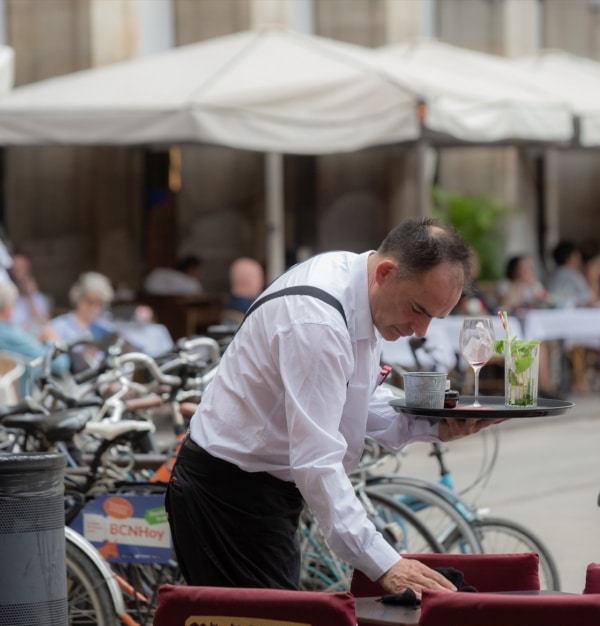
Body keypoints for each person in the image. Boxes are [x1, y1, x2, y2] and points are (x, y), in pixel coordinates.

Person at [165, 217, 502, 594]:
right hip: (226, 498)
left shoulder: (358, 284)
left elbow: (356, 399)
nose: (420, 330)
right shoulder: (318, 323)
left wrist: (435, 423)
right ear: (387, 272)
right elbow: (317, 460)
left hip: (258, 491)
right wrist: (385, 563)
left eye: (433, 318)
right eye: (418, 310)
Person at [0, 280, 69, 396]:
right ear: (8, 308)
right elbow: (60, 364)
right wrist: (52, 340)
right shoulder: (10, 334)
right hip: (22, 400)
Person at [48, 271, 117, 373]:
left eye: (100, 304)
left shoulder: (106, 327)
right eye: (90, 302)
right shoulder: (59, 326)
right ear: (78, 299)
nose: (94, 308)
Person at [8, 251, 53, 338]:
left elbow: (42, 324)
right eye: (15, 268)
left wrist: (30, 296)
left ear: (28, 269)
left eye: (21, 267)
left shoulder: (39, 298)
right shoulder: (5, 295)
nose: (17, 272)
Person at [544, 240, 596, 307]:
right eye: (576, 256)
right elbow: (592, 299)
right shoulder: (573, 275)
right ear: (569, 258)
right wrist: (593, 278)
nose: (579, 260)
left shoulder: (550, 274)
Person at [221, 257, 265, 326]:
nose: (262, 282)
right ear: (247, 279)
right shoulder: (256, 308)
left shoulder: (230, 304)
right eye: (258, 277)